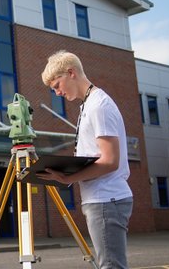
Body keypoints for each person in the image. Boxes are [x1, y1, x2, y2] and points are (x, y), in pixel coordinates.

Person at [38, 50, 134, 269]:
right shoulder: (89, 105)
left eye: (57, 85)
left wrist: (67, 177)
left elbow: (110, 161)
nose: (57, 93)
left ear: (71, 72)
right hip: (101, 200)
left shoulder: (99, 106)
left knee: (111, 266)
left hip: (106, 200)